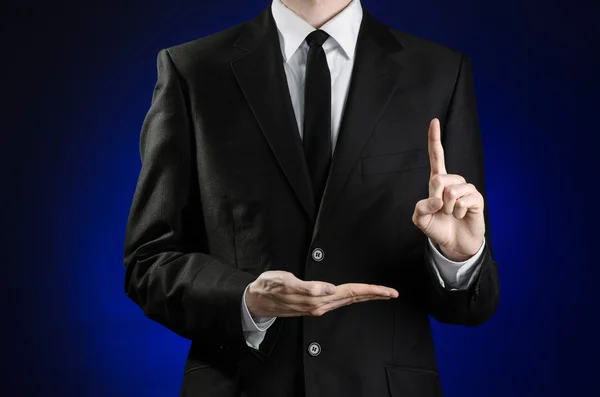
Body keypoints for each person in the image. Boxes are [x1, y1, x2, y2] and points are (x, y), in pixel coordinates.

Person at [123, 0, 500, 395]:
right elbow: (149, 260)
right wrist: (247, 298)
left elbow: (473, 307)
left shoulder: (440, 73)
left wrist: (458, 259)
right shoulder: (193, 71)